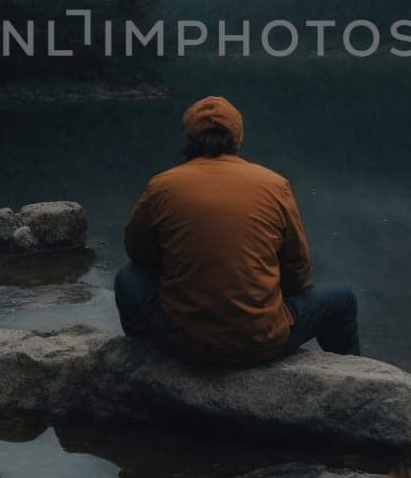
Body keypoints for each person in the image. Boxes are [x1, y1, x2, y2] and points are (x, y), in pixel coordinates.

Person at [114, 94, 359, 366]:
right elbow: (298, 268)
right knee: (343, 299)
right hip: (261, 343)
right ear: (238, 139)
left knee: (128, 276)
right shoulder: (274, 184)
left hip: (182, 343)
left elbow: (138, 253)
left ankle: (141, 362)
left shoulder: (161, 186)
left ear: (189, 139)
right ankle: (352, 377)